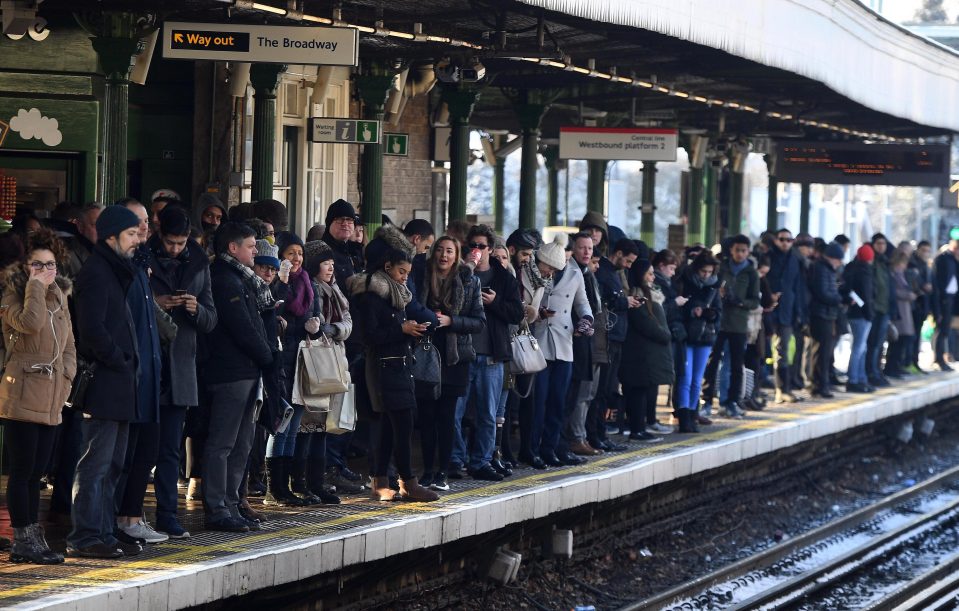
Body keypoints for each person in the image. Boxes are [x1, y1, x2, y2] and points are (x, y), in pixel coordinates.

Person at [67, 205, 144, 559]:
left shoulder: (116, 270)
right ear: (111, 236)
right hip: (105, 383)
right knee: (95, 463)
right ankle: (85, 536)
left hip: (120, 383)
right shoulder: (98, 272)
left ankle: (103, 530)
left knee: (113, 463)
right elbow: (91, 329)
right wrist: (119, 359)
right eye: (130, 235)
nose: (136, 241)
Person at [0, 229, 75, 564]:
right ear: (25, 266)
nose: (45, 270)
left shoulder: (60, 296)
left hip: (53, 395)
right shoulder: (13, 295)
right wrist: (36, 285)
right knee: (22, 471)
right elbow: (29, 324)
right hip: (22, 392)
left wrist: (68, 376)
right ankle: (22, 538)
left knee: (38, 474)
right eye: (37, 265)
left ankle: (33, 536)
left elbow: (69, 342)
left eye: (50, 265)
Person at [147, 205, 217, 538]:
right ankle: (126, 513)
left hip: (181, 366)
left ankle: (166, 514)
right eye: (171, 242)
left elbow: (211, 319)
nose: (175, 249)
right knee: (139, 447)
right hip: (148, 364)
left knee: (170, 448)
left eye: (181, 242)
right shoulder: (143, 259)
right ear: (160, 236)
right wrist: (155, 303)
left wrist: (196, 308)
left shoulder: (200, 265)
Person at [203, 222, 275, 532]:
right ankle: (218, 507)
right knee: (223, 442)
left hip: (247, 371)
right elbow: (241, 326)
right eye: (250, 246)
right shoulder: (225, 280)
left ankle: (232, 501)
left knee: (243, 442)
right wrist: (269, 357)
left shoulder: (242, 280)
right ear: (233, 248)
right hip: (230, 371)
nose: (255, 251)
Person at [353, 248, 438, 502]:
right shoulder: (371, 296)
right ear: (387, 267)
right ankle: (407, 482)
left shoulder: (397, 294)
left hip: (401, 366)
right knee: (401, 425)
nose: (404, 277)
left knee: (393, 427)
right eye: (401, 272)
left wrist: (412, 330)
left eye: (408, 273)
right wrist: (401, 328)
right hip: (383, 368)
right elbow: (370, 336)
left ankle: (381, 480)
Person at [411, 236, 486, 487]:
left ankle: (443, 471)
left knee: (446, 416)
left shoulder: (469, 280)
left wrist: (451, 321)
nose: (444, 255)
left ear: (457, 255)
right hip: (425, 352)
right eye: (440, 250)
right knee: (426, 416)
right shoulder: (420, 276)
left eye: (449, 251)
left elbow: (478, 322)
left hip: (455, 357)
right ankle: (428, 470)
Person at [114, 200, 164, 545]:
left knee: (145, 450)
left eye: (146, 221)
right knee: (119, 456)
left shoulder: (143, 265)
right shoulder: (120, 270)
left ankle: (132, 516)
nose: (145, 227)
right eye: (137, 223)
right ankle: (115, 520)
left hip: (149, 372)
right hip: (129, 375)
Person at [455, 226, 523, 479]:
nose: (476, 251)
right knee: (457, 412)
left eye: (482, 246)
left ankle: (481, 461)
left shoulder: (504, 278)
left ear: (491, 249)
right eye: (472, 245)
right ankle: (456, 459)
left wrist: (495, 304)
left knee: (487, 413)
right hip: (463, 354)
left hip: (492, 355)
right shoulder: (460, 275)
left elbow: (517, 313)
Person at [292, 239, 350, 505]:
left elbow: (348, 321)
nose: (330, 267)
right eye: (325, 263)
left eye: (332, 263)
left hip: (333, 361)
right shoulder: (311, 288)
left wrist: (334, 329)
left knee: (322, 428)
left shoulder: (335, 289)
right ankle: (302, 483)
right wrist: (324, 329)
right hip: (313, 363)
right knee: (308, 426)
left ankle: (316, 482)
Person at [531, 234, 593, 466]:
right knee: (539, 401)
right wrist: (538, 312)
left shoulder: (576, 275)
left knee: (558, 401)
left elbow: (582, 303)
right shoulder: (534, 273)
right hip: (539, 343)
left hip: (565, 345)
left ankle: (550, 448)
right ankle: (533, 448)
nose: (552, 272)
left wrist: (586, 320)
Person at [701, 235, 760, 419]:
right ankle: (707, 400)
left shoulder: (751, 273)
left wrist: (740, 302)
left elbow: (755, 301)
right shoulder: (721, 267)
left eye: (743, 250)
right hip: (719, 322)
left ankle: (731, 402)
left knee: (735, 365)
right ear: (731, 251)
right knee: (712, 362)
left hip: (738, 324)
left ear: (748, 252)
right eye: (737, 250)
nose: (740, 254)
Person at [565, 233, 608, 455]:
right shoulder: (571, 273)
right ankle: (575, 438)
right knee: (578, 394)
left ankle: (578, 437)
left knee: (587, 394)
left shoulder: (588, 275)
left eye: (590, 248)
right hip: (574, 341)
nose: (587, 252)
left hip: (592, 342)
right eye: (582, 248)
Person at [593, 238, 639, 444]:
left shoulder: (615, 273)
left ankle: (600, 433)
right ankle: (597, 434)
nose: (629, 266)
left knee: (608, 388)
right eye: (628, 261)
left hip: (616, 335)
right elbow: (602, 300)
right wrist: (624, 301)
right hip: (608, 337)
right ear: (618, 253)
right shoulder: (603, 271)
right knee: (602, 389)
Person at [620, 259, 673, 440]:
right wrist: (664, 334)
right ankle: (637, 429)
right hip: (639, 354)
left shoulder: (648, 294)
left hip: (645, 353)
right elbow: (644, 322)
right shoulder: (638, 294)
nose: (652, 277)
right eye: (649, 273)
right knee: (638, 393)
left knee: (642, 392)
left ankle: (640, 427)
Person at [674, 250, 721, 432]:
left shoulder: (714, 286)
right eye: (703, 272)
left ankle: (693, 414)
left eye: (709, 272)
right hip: (686, 335)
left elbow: (718, 312)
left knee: (697, 379)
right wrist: (692, 309)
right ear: (696, 269)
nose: (706, 275)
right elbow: (676, 307)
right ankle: (684, 416)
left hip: (705, 336)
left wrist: (708, 313)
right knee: (684, 377)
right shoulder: (683, 282)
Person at [768, 228, 806, 404]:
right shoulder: (768, 256)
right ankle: (756, 391)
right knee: (761, 351)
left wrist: (799, 311)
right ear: (776, 240)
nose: (785, 243)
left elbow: (798, 287)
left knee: (784, 350)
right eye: (782, 239)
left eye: (789, 240)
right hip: (768, 309)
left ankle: (783, 389)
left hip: (788, 310)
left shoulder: (796, 259)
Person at [652, 249, 687, 431]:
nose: (673, 273)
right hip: (663, 334)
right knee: (658, 376)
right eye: (671, 268)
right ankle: (650, 418)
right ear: (661, 266)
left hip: (672, 333)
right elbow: (659, 309)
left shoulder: (666, 282)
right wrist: (676, 303)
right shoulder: (657, 283)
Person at [808, 242, 844, 398]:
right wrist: (839, 299)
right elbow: (822, 292)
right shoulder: (822, 269)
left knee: (823, 351)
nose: (840, 263)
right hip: (821, 314)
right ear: (832, 258)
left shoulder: (826, 269)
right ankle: (820, 385)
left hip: (826, 314)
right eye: (838, 259)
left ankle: (821, 384)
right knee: (822, 351)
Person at [842, 245, 875, 393]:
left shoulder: (851, 269)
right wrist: (869, 314)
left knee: (861, 347)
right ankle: (854, 379)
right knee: (859, 347)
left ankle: (861, 378)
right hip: (862, 315)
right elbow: (867, 296)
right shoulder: (865, 272)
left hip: (853, 313)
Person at [867, 233, 893, 387]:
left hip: (884, 308)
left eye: (883, 243)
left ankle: (877, 371)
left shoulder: (884, 262)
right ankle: (871, 372)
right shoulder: (871, 262)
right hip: (875, 309)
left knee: (879, 343)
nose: (881, 246)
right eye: (878, 243)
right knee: (872, 343)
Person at [886, 251, 917, 379]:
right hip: (898, 311)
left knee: (904, 340)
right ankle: (891, 367)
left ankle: (897, 366)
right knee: (897, 340)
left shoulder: (902, 275)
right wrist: (908, 295)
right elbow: (894, 292)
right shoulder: (893, 274)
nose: (904, 266)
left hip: (905, 310)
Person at [322, 199, 364, 288]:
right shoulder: (322, 251)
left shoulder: (356, 251)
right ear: (329, 223)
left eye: (349, 220)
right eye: (339, 219)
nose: (345, 223)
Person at [932, 238, 959, 370]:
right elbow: (937, 280)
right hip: (943, 299)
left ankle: (944, 357)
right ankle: (938, 358)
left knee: (946, 330)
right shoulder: (943, 259)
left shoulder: (953, 260)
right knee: (941, 329)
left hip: (951, 299)